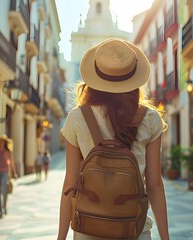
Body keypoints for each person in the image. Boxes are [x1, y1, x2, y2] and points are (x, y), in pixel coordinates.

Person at [58, 38, 170, 240]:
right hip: (135, 229)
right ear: (133, 78)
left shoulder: (77, 117)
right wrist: (166, 237)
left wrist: (60, 237)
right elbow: (154, 184)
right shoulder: (150, 118)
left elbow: (70, 183)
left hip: (88, 229)